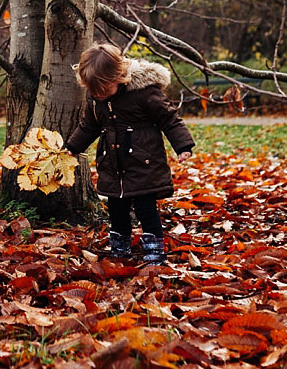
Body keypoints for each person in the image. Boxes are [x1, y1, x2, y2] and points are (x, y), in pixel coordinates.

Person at [64, 43, 195, 265]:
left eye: (104, 90)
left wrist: (183, 146)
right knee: (116, 209)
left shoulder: (144, 93)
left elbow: (169, 118)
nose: (99, 95)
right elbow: (89, 126)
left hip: (144, 163)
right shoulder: (96, 98)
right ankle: (120, 247)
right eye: (94, 91)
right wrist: (73, 147)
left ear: (120, 76)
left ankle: (155, 251)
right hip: (113, 165)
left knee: (146, 209)